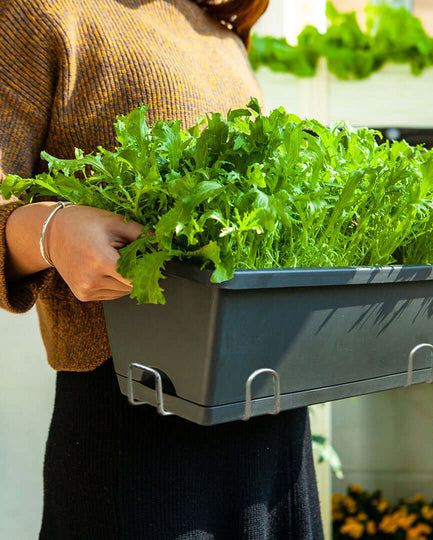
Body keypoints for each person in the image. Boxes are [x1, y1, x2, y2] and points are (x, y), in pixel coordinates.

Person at [0, 0, 324, 538]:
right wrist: (51, 231)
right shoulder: (38, 13)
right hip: (137, 425)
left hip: (273, 414)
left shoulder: (220, 31)